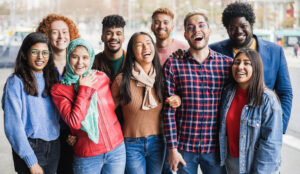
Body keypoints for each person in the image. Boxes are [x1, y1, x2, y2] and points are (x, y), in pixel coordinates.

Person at [163, 11, 232, 174]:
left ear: (209, 30)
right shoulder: (173, 65)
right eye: (191, 28)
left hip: (215, 149)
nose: (196, 30)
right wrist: (172, 148)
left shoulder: (227, 65)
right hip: (184, 148)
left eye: (201, 25)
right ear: (186, 34)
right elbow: (168, 111)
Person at [209, 2, 293, 134]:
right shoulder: (214, 50)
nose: (238, 31)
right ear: (227, 29)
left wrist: (279, 128)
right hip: (228, 129)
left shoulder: (275, 51)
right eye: (232, 27)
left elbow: (285, 92)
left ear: (251, 25)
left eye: (243, 26)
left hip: (262, 127)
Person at [51, 38, 126, 174]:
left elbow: (112, 107)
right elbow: (74, 121)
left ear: (91, 58)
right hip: (88, 155)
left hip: (116, 150)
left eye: (85, 57)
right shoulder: (59, 90)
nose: (80, 62)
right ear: (68, 57)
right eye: (75, 57)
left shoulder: (101, 77)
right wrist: (84, 89)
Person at [2, 32, 60, 174]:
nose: (40, 57)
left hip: (54, 146)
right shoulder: (16, 82)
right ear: (24, 54)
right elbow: (13, 126)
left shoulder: (53, 78)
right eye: (35, 52)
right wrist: (31, 160)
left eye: (45, 53)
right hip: (31, 146)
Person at [219, 48, 282, 173]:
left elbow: (271, 146)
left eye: (247, 63)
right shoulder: (227, 93)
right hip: (231, 164)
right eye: (236, 62)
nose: (240, 67)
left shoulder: (268, 100)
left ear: (256, 68)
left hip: (256, 167)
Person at [111, 32, 166, 174]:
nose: (145, 47)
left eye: (148, 43)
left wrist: (177, 99)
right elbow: (106, 112)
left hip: (158, 142)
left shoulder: (164, 77)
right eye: (139, 45)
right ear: (132, 52)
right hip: (131, 144)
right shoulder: (121, 80)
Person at [37, 14, 80, 174]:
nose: (61, 36)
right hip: (48, 137)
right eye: (55, 32)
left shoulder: (79, 64)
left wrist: (77, 132)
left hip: (74, 135)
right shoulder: (40, 67)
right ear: (46, 36)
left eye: (64, 31)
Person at [92, 14, 126, 82]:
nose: (114, 37)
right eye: (109, 33)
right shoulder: (92, 63)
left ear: (123, 38)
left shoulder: (132, 62)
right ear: (102, 37)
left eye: (118, 33)